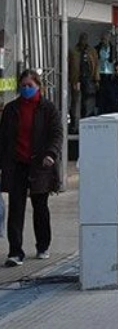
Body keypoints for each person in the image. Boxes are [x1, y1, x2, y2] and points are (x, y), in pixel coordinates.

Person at [0, 70, 62, 267]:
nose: (26, 89)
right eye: (23, 86)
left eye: (30, 86)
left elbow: (56, 134)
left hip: (40, 164)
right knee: (16, 208)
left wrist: (51, 154)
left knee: (40, 206)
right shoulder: (11, 109)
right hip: (17, 164)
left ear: (38, 87)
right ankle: (15, 251)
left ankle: (43, 245)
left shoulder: (47, 108)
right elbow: (3, 138)